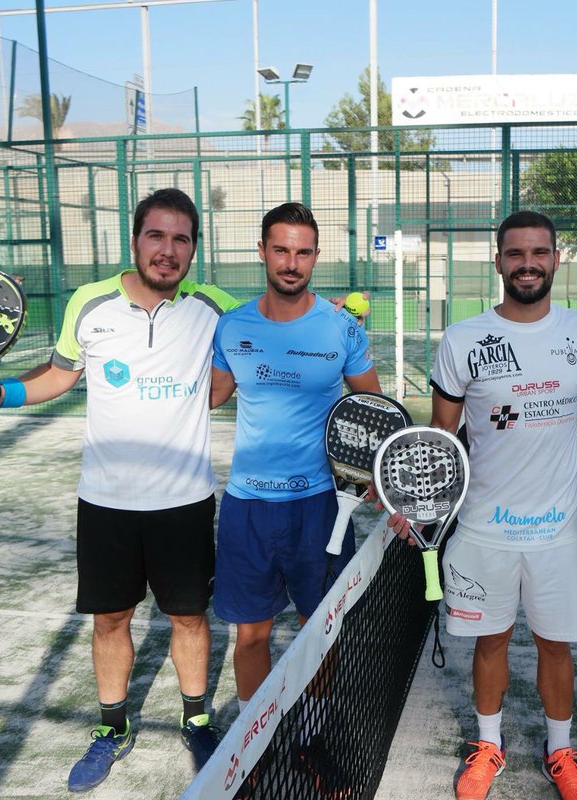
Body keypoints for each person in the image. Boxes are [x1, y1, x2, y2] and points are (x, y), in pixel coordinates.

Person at [0, 188, 234, 793]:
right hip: (105, 504)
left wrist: (334, 312)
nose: (168, 250)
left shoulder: (215, 306)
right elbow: (59, 374)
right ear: (134, 241)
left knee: (188, 617)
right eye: (156, 236)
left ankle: (197, 718)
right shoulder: (91, 302)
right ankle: (113, 728)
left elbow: (264, 331)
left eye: (181, 238)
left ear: (193, 249)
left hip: (185, 501)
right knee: (110, 619)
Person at [392, 211, 577, 800]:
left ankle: (560, 751)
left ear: (556, 259)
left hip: (559, 530)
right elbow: (442, 437)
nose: (527, 263)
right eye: (515, 253)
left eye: (538, 252)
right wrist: (420, 503)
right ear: (498, 260)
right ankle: (489, 745)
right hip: (483, 529)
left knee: (556, 646)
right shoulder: (462, 339)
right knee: (492, 642)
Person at [208, 202, 380, 775]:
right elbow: (210, 396)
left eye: (303, 251)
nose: (291, 262)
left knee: (318, 632)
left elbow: (372, 410)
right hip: (248, 506)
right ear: (262, 252)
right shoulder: (231, 325)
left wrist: (377, 478)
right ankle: (253, 745)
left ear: (315, 257)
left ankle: (308, 734)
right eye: (280, 249)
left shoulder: (341, 327)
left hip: (320, 505)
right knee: (250, 634)